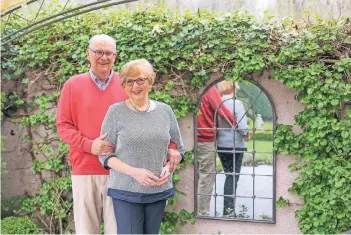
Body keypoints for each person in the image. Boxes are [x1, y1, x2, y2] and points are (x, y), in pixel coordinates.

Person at [56, 35, 182, 234]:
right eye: (98, 52)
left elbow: (154, 122)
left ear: (115, 56)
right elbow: (63, 126)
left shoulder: (127, 83)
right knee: (86, 230)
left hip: (124, 176)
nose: (103, 57)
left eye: (108, 53)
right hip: (85, 170)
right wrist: (89, 145)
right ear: (88, 54)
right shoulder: (73, 85)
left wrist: (172, 149)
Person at [98, 59, 186, 234]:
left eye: (140, 80)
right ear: (123, 85)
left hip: (158, 189)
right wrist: (135, 172)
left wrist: (170, 165)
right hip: (126, 190)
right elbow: (105, 155)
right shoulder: (115, 112)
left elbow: (179, 149)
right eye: (129, 81)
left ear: (150, 82)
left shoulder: (165, 111)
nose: (135, 86)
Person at [196, 84, 237, 215]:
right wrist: (238, 124)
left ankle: (193, 210)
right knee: (207, 176)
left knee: (195, 175)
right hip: (205, 139)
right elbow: (222, 110)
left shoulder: (195, 87)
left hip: (190, 138)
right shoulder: (210, 89)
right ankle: (202, 213)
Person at [217, 80, 250, 217]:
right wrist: (247, 135)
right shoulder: (237, 103)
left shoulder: (217, 103)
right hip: (235, 145)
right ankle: (228, 211)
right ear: (233, 88)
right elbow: (242, 126)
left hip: (221, 145)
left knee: (228, 176)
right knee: (232, 177)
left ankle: (228, 210)